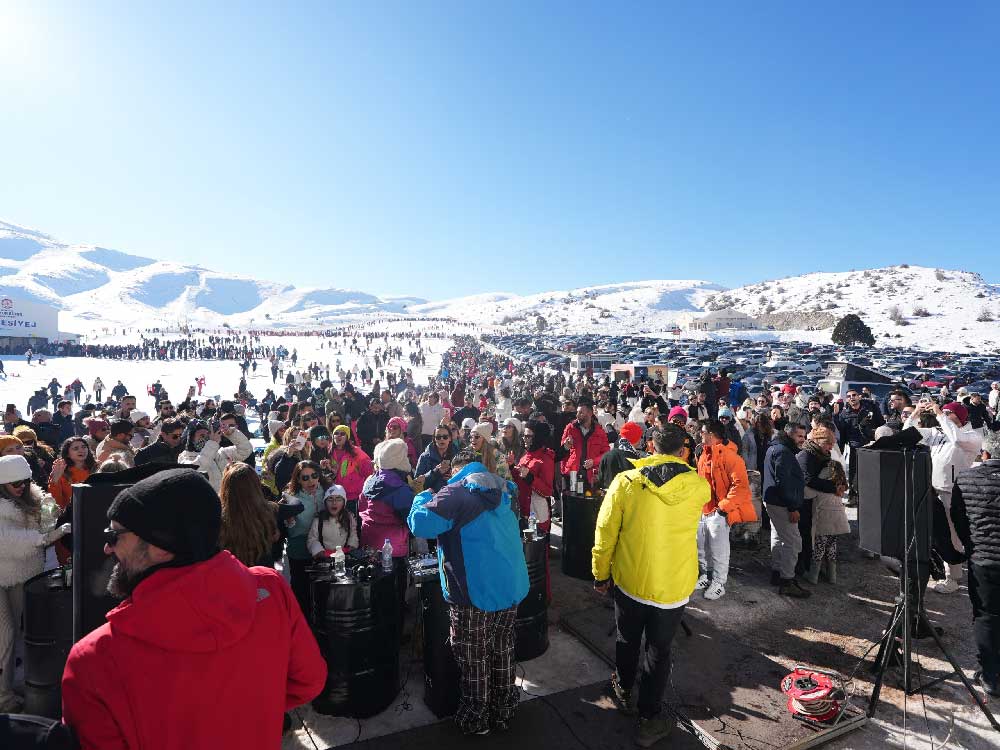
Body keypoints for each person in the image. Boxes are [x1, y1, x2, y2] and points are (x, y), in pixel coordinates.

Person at [60, 468, 327, 749]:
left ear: (162, 547)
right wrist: (251, 710)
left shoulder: (93, 661)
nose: (106, 547)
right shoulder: (270, 591)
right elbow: (309, 680)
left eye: (114, 535)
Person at [592, 425, 708, 748]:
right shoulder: (698, 487)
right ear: (683, 451)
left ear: (649, 446)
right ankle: (649, 719)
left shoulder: (625, 482)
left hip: (630, 581)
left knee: (627, 639)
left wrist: (600, 575)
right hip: (673, 587)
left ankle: (624, 690)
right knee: (659, 650)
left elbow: (605, 533)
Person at [408, 450, 529, 736]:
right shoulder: (501, 488)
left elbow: (420, 524)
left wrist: (421, 497)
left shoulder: (456, 493)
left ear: (457, 472)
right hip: (509, 585)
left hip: (475, 591)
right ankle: (504, 709)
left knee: (474, 656)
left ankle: (476, 718)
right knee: (502, 648)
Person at [0, 455, 71, 712]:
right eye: (13, 482)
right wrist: (44, 537)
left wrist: (50, 514)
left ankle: (11, 691)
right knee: (4, 637)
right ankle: (3, 701)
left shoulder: (34, 497)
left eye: (24, 480)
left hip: (24, 574)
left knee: (21, 634)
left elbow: (47, 528)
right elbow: (7, 539)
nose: (20, 486)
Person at [903, 400, 983, 593]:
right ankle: (937, 566)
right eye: (943, 412)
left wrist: (939, 413)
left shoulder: (972, 436)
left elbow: (956, 439)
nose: (943, 415)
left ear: (960, 416)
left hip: (952, 491)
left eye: (949, 413)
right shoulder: (937, 432)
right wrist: (915, 414)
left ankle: (953, 578)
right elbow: (908, 435)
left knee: (952, 534)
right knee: (933, 532)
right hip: (931, 490)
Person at [950, 429, 1000, 696]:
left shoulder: (967, 477)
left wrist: (972, 546)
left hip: (983, 560)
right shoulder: (967, 477)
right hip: (983, 555)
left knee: (987, 616)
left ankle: (991, 675)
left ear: (985, 453)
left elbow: (958, 516)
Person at [695, 420, 753, 601]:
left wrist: (722, 509)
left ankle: (719, 583)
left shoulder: (732, 458)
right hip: (703, 509)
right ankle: (705, 575)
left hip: (718, 511)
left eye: (702, 432)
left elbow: (741, 487)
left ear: (711, 434)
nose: (699, 434)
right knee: (701, 547)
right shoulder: (704, 453)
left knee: (719, 550)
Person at [797, 426, 850, 585]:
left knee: (820, 542)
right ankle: (807, 568)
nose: (830, 448)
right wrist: (834, 488)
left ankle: (815, 572)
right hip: (806, 504)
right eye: (828, 444)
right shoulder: (806, 455)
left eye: (832, 444)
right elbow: (808, 480)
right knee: (809, 537)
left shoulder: (823, 455)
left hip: (819, 505)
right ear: (818, 441)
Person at [763, 423, 811, 598]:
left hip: (774, 501)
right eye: (799, 436)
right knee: (793, 542)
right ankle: (787, 581)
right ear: (789, 435)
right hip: (782, 503)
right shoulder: (783, 451)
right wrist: (792, 507)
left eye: (804, 437)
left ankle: (778, 572)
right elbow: (784, 482)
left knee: (778, 537)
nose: (803, 440)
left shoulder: (777, 448)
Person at [283, 461, 326, 614]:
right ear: (298, 480)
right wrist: (290, 522)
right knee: (302, 595)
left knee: (323, 594)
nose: (311, 481)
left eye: (314, 476)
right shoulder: (291, 499)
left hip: (323, 549)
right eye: (305, 478)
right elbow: (290, 532)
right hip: (299, 550)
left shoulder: (328, 492)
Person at [219, 463, 280, 568]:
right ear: (256, 485)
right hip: (262, 572)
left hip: (232, 571)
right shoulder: (269, 510)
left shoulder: (218, 516)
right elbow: (275, 537)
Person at [176, 417, 252, 492]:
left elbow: (245, 450)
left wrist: (232, 433)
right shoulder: (184, 457)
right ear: (191, 438)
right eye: (202, 436)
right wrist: (212, 443)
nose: (205, 439)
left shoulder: (219, 453)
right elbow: (198, 469)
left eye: (207, 436)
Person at [560, 398, 610, 491]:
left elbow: (606, 453)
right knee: (573, 499)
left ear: (590, 414)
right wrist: (566, 446)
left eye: (581, 413)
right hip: (573, 474)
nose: (577, 415)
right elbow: (562, 450)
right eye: (577, 412)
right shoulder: (570, 428)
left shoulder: (599, 431)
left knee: (588, 502)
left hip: (591, 476)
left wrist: (594, 461)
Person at [514, 421, 555, 525]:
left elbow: (547, 491)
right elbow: (519, 480)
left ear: (537, 437)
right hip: (523, 509)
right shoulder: (526, 455)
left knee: (537, 541)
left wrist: (530, 478)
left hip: (537, 513)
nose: (524, 439)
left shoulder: (546, 459)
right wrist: (511, 467)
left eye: (528, 436)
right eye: (523, 435)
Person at [308, 484, 359, 558]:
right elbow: (312, 539)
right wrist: (320, 552)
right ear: (325, 502)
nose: (334, 502)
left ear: (344, 502)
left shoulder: (349, 517)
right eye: (330, 499)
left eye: (338, 499)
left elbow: (353, 534)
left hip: (344, 556)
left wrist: (351, 546)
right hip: (325, 558)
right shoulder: (319, 520)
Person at [598, 421, 645, 490]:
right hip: (626, 499)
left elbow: (600, 479)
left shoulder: (607, 455)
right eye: (640, 437)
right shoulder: (635, 460)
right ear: (636, 439)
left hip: (607, 498)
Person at [415, 425, 458, 495]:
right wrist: (435, 472)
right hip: (430, 498)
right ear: (434, 439)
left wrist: (454, 477)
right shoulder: (425, 457)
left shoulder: (457, 456)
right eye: (438, 437)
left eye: (445, 437)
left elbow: (464, 478)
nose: (442, 439)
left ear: (450, 438)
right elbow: (417, 484)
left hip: (451, 496)